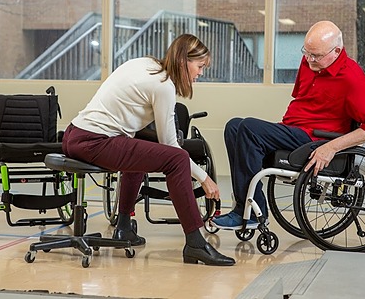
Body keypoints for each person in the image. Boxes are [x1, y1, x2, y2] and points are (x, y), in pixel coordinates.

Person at [62, 34, 235, 266]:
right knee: (177, 159)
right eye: (200, 66)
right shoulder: (163, 86)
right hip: (94, 141)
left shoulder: (146, 64)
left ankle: (124, 228)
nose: (201, 73)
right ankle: (195, 243)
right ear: (184, 61)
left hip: (74, 134)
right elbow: (171, 146)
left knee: (144, 150)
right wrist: (205, 179)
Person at [212, 20, 365, 229]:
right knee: (234, 126)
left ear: (337, 51)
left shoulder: (352, 77)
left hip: (315, 138)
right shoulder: (309, 62)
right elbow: (302, 104)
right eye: (307, 52)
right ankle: (249, 207)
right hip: (294, 130)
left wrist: (331, 147)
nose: (309, 60)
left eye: (316, 56)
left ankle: (248, 212)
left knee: (249, 127)